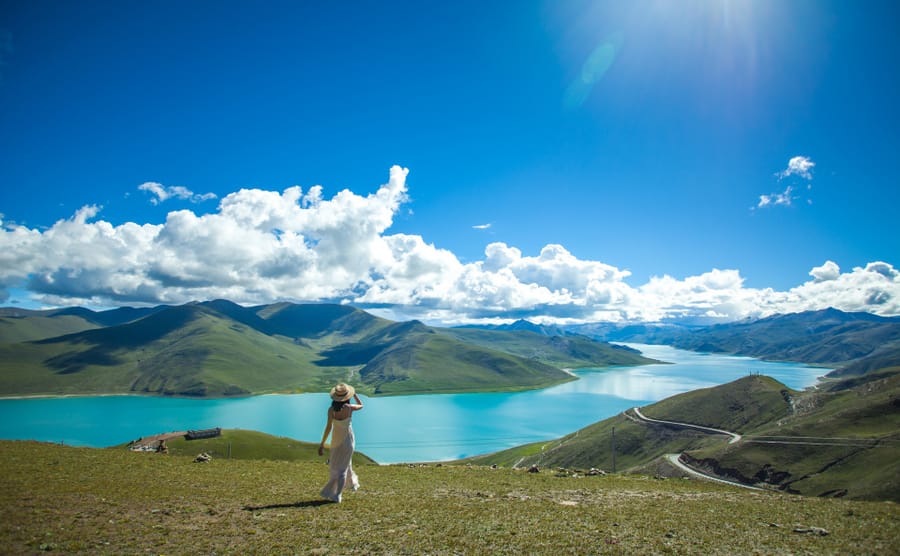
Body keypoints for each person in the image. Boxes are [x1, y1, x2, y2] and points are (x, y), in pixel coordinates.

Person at [318, 382, 364, 502]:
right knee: (344, 467)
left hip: (335, 442)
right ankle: (338, 494)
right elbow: (361, 405)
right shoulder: (349, 408)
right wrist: (355, 395)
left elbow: (328, 427)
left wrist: (322, 443)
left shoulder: (331, 410)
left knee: (336, 468)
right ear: (347, 397)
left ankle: (338, 492)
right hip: (348, 441)